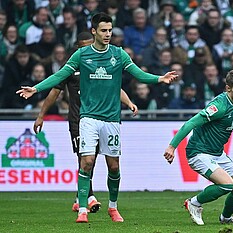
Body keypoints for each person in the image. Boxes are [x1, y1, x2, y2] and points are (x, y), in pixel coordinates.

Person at [16, 12, 178, 223]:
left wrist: (160, 78)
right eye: (103, 30)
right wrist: (36, 89)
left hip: (111, 120)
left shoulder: (119, 55)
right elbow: (59, 76)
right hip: (88, 118)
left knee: (114, 167)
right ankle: (83, 208)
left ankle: (113, 207)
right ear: (94, 31)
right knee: (87, 162)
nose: (108, 34)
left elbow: (138, 74)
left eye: (110, 30)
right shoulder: (81, 55)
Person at [32, 31, 138, 214]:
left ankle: (78, 198)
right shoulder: (72, 67)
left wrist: (128, 102)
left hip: (100, 118)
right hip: (78, 119)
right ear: (78, 48)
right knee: (85, 158)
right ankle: (89, 197)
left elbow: (114, 88)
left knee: (93, 158)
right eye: (86, 45)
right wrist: (41, 115)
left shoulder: (101, 65)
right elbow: (55, 92)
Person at [164, 69, 233, 225]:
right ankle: (194, 203)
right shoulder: (219, 106)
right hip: (199, 152)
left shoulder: (232, 104)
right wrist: (172, 147)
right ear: (228, 88)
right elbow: (191, 123)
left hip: (217, 153)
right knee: (226, 184)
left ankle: (225, 218)